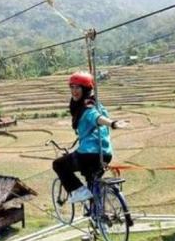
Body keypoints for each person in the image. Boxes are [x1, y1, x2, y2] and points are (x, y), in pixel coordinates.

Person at [52, 71, 128, 203]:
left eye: (78, 87)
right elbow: (96, 122)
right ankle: (98, 214)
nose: (74, 91)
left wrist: (112, 124)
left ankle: (78, 191)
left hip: (88, 155)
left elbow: (96, 117)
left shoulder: (86, 108)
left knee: (58, 164)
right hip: (105, 154)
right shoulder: (97, 104)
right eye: (72, 87)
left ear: (85, 89)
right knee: (92, 184)